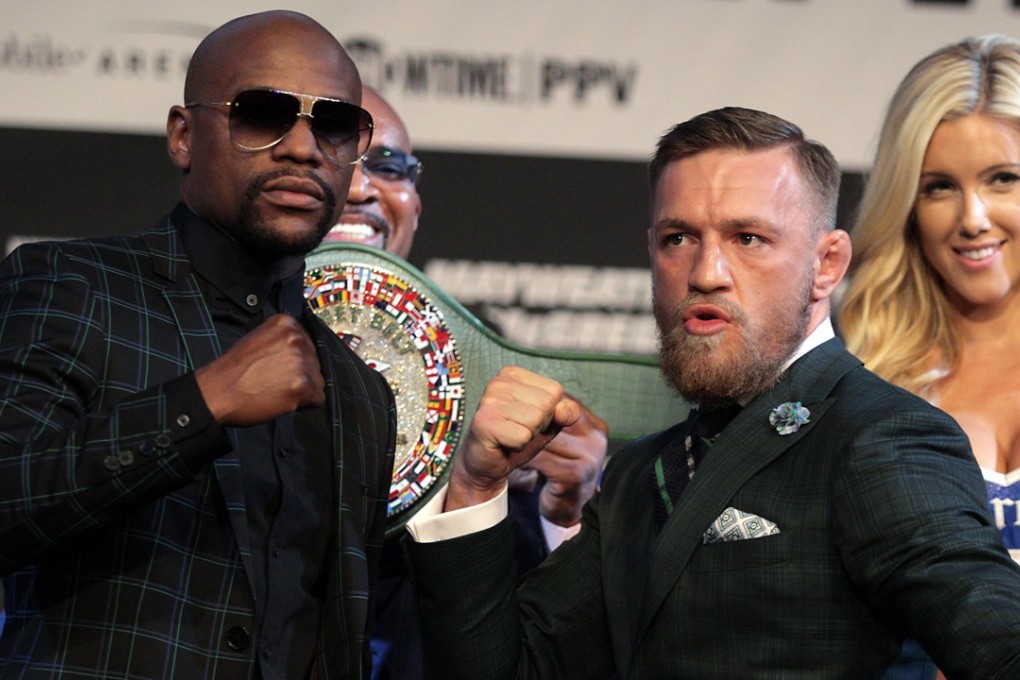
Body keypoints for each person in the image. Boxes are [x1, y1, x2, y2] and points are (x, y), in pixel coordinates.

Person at [400, 106, 1020, 678]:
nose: (705, 273)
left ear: (827, 264)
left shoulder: (880, 436)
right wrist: (477, 488)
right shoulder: (638, 475)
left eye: (748, 238)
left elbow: (994, 637)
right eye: (679, 238)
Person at [0, 11, 395, 679]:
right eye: (262, 113)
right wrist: (200, 406)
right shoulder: (75, 284)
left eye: (333, 125)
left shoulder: (361, 391)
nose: (302, 148)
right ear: (184, 136)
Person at [318, 86, 608, 679]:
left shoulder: (491, 368)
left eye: (389, 166)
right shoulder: (215, 347)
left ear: (416, 202)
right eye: (333, 159)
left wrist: (567, 514)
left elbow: (540, 634)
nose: (361, 187)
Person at [838, 34, 1020, 680]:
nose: (972, 218)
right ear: (907, 205)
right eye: (939, 187)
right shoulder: (857, 372)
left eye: (1003, 179)